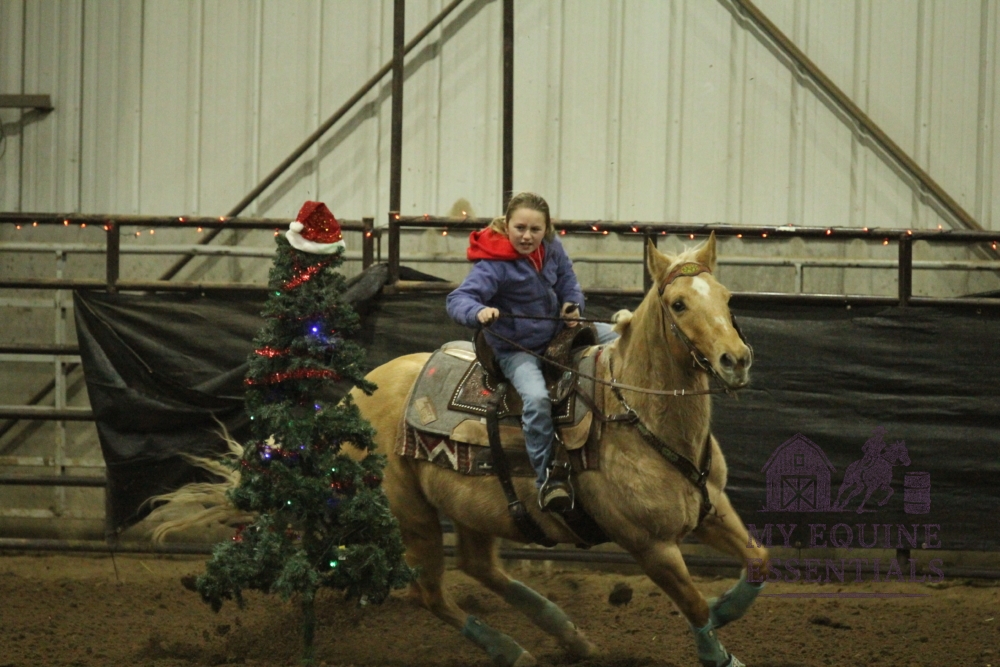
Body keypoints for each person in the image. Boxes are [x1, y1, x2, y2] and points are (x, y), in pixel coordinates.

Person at [446, 192, 617, 511]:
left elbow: (568, 281)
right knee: (536, 399)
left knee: (623, 337)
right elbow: (458, 300)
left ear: (546, 229)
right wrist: (478, 312)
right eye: (520, 228)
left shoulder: (552, 247)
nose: (527, 236)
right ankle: (547, 479)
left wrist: (573, 305)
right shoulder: (494, 265)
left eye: (535, 229)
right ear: (507, 225)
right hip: (517, 349)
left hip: (558, 333)